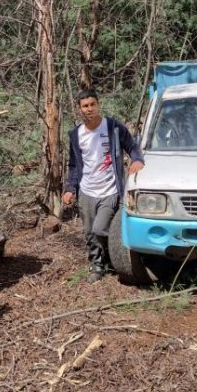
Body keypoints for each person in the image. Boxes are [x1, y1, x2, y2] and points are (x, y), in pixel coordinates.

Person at [62, 89, 145, 283]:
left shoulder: (113, 127)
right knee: (90, 232)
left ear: (98, 105)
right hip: (87, 190)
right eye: (85, 106)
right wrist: (69, 188)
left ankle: (117, 254)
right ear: (79, 109)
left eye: (92, 104)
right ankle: (97, 265)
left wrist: (137, 159)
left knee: (100, 229)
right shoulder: (76, 135)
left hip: (110, 189)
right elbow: (74, 164)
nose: (89, 109)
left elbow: (132, 146)